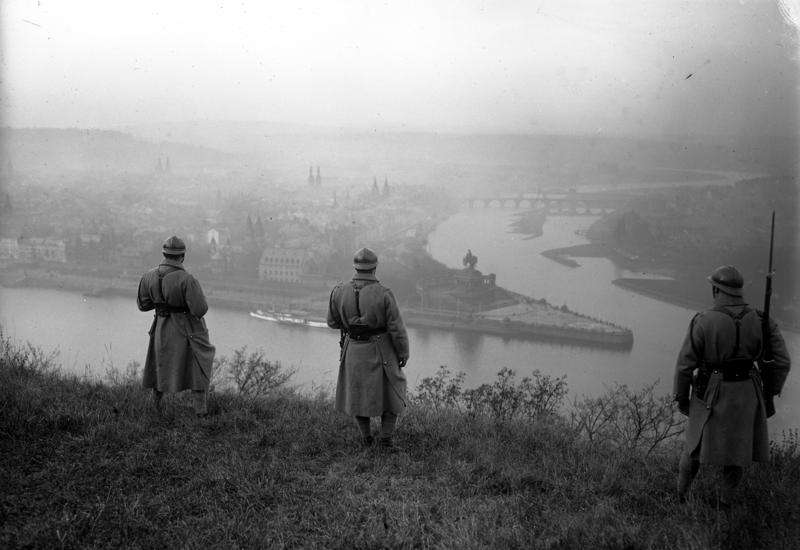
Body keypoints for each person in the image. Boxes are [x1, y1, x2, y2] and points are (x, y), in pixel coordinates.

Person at [673, 265, 791, 506]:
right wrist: (769, 392)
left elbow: (685, 366)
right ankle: (725, 506)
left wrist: (681, 398)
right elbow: (781, 362)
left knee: (693, 447)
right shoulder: (761, 319)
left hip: (710, 391)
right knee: (737, 453)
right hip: (748, 392)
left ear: (716, 290)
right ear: (739, 291)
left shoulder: (703, 320)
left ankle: (681, 498)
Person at [327, 247, 410, 451]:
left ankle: (366, 439)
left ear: (355, 267)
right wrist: (403, 353)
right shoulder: (384, 293)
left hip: (352, 350)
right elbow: (397, 329)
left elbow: (332, 322)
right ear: (374, 268)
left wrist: (352, 324)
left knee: (357, 394)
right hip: (380, 350)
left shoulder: (338, 291)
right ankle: (386, 441)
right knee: (392, 392)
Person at [137, 236, 216, 417]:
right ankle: (200, 413)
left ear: (164, 253)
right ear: (182, 256)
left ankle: (154, 410)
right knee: (198, 367)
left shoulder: (148, 276)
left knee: (159, 365)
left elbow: (143, 305)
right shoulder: (187, 279)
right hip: (188, 330)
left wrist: (161, 302)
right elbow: (200, 309)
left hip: (161, 328)